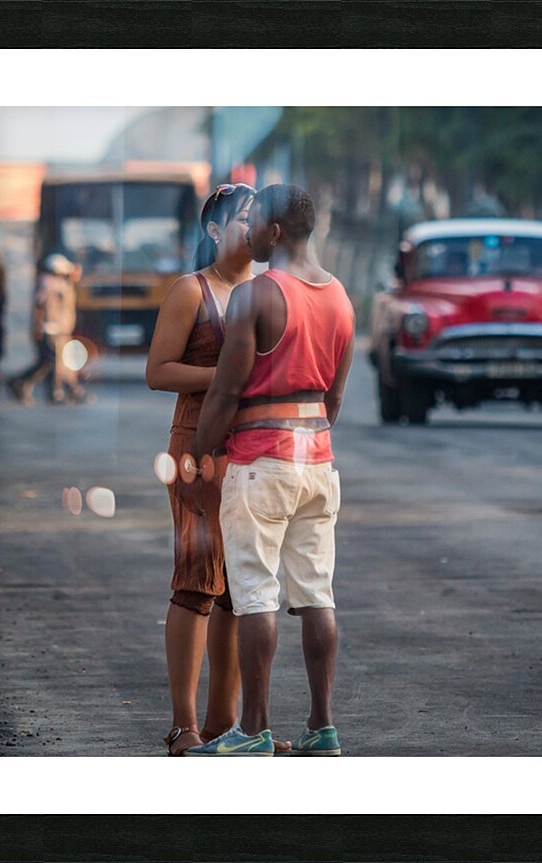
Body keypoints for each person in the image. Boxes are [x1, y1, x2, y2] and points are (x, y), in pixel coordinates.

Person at [185, 184, 355, 757]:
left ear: (275, 234)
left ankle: (252, 731)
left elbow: (227, 390)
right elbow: (333, 399)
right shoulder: (340, 298)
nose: (248, 230)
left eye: (255, 221)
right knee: (317, 596)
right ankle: (321, 727)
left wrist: (199, 454)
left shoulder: (255, 296)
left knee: (255, 595)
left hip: (260, 464)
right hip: (319, 465)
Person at [145, 183, 290, 756]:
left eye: (261, 219)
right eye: (244, 219)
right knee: (195, 584)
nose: (255, 229)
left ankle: (225, 725)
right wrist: (228, 378)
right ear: (214, 230)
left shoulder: (267, 292)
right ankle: (184, 726)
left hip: (252, 453)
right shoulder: (191, 291)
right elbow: (158, 372)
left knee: (239, 591)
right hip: (197, 453)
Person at [7, 254, 87, 405]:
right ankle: (50, 391)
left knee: (54, 363)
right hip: (49, 330)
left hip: (60, 331)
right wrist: (37, 327)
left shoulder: (61, 283)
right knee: (51, 362)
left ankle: (71, 391)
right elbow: (39, 305)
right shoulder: (48, 283)